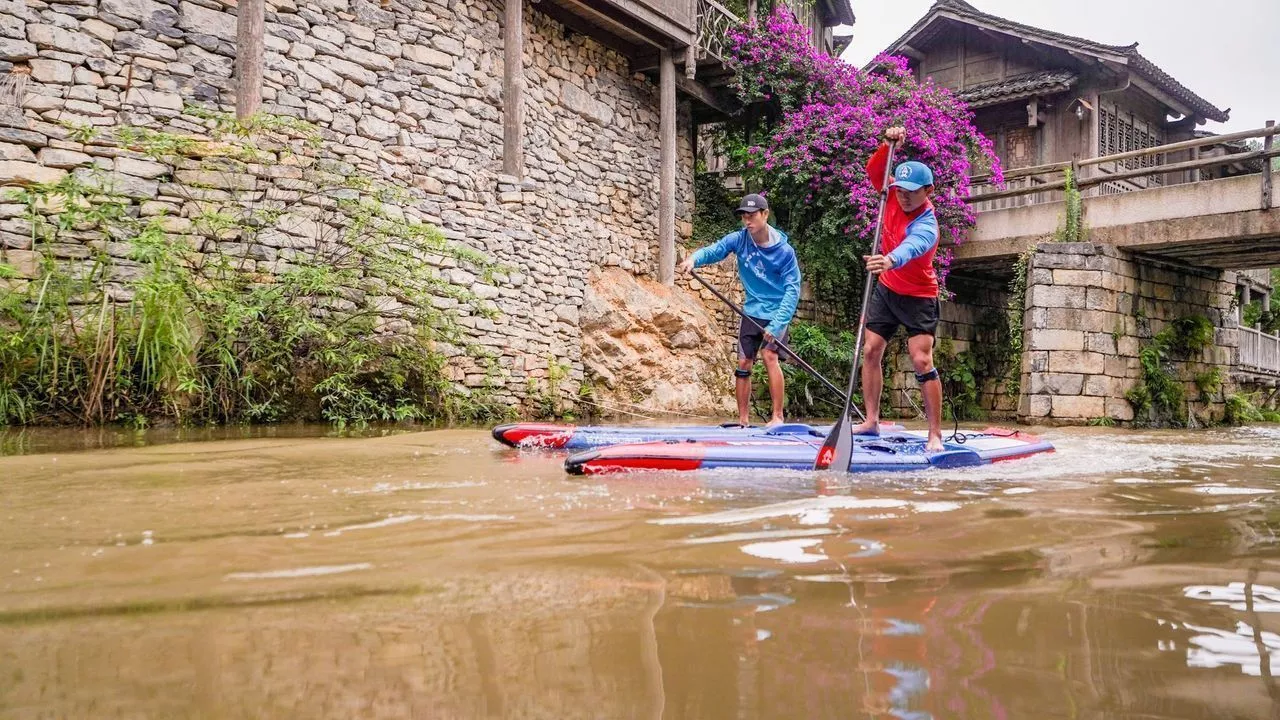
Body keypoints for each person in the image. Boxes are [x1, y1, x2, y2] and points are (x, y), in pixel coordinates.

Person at [851, 126, 945, 452]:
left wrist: (889, 259)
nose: (903, 195)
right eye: (901, 188)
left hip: (919, 296)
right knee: (871, 350)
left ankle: (935, 434)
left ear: (928, 190)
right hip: (887, 289)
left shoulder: (927, 224)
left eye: (912, 191)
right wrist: (887, 144)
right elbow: (874, 170)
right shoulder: (890, 192)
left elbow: (913, 247)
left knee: (920, 360)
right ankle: (871, 420)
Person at [677, 193, 802, 428]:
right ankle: (743, 421)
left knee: (769, 355)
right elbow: (715, 250)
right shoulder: (740, 239)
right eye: (744, 216)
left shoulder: (785, 252)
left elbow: (792, 290)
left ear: (765, 214)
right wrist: (694, 259)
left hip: (777, 312)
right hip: (751, 311)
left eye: (752, 215)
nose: (747, 221)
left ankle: (778, 417)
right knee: (744, 362)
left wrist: (776, 325)